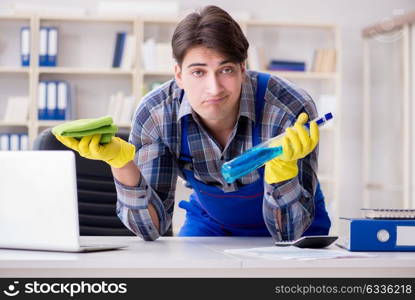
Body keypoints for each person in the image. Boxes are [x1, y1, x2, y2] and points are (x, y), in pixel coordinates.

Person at [55, 5, 331, 241]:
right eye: (198, 72)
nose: (214, 88)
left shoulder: (288, 108)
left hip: (294, 219)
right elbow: (150, 230)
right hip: (211, 225)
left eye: (226, 70)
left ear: (243, 69)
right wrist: (121, 163)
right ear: (178, 74)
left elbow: (291, 233)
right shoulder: (157, 114)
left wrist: (282, 170)